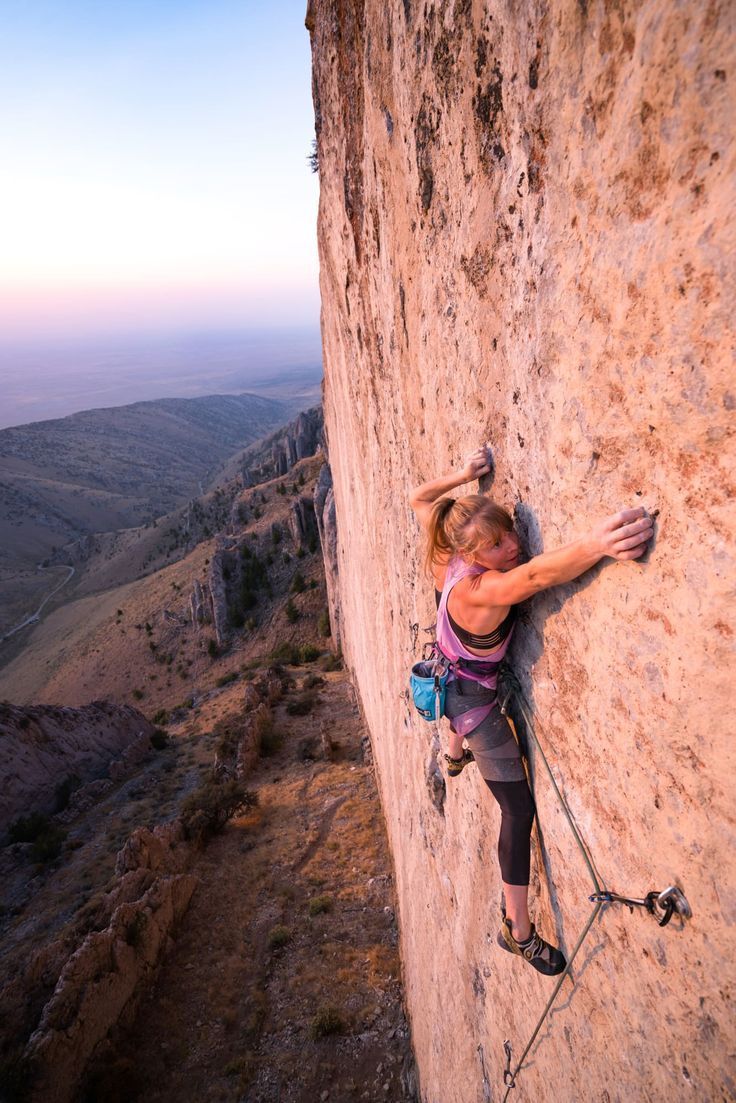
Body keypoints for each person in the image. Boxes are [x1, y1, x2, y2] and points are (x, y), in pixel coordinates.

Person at [409, 445, 653, 975]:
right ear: (473, 557)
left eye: (507, 533)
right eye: (496, 544)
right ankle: (517, 931)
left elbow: (419, 498)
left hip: (453, 672)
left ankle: (453, 755)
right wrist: (597, 543)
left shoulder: (446, 557)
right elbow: (536, 578)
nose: (513, 545)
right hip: (473, 704)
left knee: (464, 691)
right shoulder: (482, 587)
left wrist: (463, 476)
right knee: (518, 811)